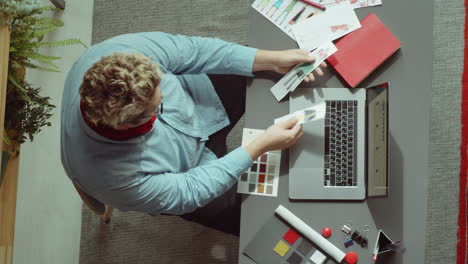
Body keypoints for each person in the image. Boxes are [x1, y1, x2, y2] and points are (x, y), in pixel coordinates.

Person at [61, 32, 326, 236]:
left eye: (160, 86)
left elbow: (196, 51)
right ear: (124, 125)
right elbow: (189, 191)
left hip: (200, 101)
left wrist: (271, 59)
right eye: (157, 105)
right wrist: (260, 146)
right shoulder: (110, 178)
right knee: (252, 218)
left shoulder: (119, 54)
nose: (163, 94)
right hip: (189, 171)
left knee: (261, 69)